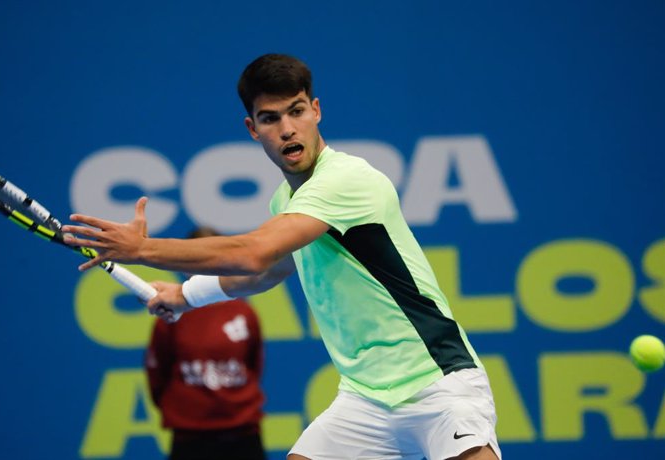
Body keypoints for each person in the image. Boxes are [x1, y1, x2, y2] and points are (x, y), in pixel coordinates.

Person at [64, 53, 502, 460]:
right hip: (366, 398)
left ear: (316, 110)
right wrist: (184, 295)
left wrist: (142, 249)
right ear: (253, 129)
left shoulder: (347, 180)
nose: (287, 129)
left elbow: (255, 254)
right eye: (270, 119)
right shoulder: (285, 202)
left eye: (296, 111)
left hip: (440, 386)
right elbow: (265, 273)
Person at [145, 226, 266, 460]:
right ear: (187, 263)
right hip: (190, 438)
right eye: (200, 257)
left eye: (215, 256)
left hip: (243, 434)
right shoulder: (172, 315)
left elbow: (254, 365)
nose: (209, 265)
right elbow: (157, 375)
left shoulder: (243, 312)